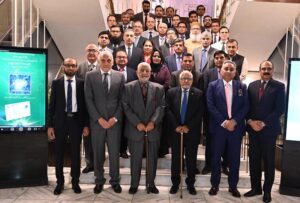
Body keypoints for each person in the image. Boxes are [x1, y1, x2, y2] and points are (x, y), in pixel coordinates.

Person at [206, 60, 249, 198]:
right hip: (219, 128)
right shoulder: (212, 85)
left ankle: (233, 186)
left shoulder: (242, 86)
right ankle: (214, 184)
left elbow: (246, 106)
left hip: (235, 128)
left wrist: (234, 121)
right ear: (220, 70)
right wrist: (224, 122)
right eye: (226, 68)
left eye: (232, 69)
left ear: (235, 72)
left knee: (234, 158)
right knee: (216, 157)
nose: (229, 71)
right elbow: (210, 105)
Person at [244, 60, 285, 203]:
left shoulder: (279, 87)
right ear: (260, 70)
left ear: (273, 70)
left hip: (269, 130)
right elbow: (246, 106)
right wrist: (250, 121)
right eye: (263, 68)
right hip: (253, 130)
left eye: (269, 68)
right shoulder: (252, 86)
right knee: (254, 160)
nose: (266, 71)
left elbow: (279, 108)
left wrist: (263, 123)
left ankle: (267, 191)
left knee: (268, 162)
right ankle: (256, 188)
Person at [85, 51, 125, 194]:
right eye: (103, 60)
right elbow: (88, 100)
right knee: (98, 153)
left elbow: (122, 100)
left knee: (114, 153)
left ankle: (115, 181)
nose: (106, 62)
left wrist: (114, 118)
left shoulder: (120, 76)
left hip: (114, 123)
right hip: (97, 123)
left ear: (113, 61)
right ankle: (99, 180)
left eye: (109, 60)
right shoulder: (90, 76)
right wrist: (99, 119)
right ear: (99, 60)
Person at [47, 58, 89, 195]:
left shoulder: (82, 83)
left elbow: (86, 107)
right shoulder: (56, 83)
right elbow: (51, 106)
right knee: (59, 153)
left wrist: (86, 125)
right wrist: (50, 126)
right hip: (60, 122)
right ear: (63, 66)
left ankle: (75, 182)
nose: (70, 67)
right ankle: (60, 182)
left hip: (76, 121)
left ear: (77, 68)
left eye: (73, 65)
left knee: (76, 153)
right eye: (68, 65)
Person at [122, 62, 165, 194]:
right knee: (135, 159)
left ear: (150, 72)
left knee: (152, 159)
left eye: (147, 70)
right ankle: (134, 184)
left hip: (153, 129)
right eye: (142, 70)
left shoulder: (159, 88)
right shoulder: (128, 87)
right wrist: (137, 123)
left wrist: (153, 122)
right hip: (135, 129)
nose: (144, 73)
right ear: (137, 72)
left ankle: (151, 184)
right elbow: (126, 107)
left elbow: (161, 106)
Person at [167, 70, 204, 195]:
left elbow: (200, 113)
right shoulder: (172, 92)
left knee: (191, 159)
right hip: (175, 132)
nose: (186, 81)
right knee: (176, 159)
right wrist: (176, 126)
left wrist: (188, 126)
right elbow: (168, 110)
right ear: (179, 80)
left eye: (188, 79)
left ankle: (190, 184)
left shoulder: (198, 94)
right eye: (183, 78)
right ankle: (175, 184)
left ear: (192, 81)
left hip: (192, 132)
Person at [77, 43, 100, 174]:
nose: (91, 53)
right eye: (89, 51)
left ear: (98, 53)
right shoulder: (80, 67)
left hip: (100, 108)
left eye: (94, 51)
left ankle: (99, 164)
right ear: (86, 53)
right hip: (85, 108)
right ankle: (89, 163)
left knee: (99, 139)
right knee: (87, 137)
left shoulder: (103, 65)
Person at [113, 49, 137, 159]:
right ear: (115, 59)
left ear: (127, 59)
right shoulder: (110, 70)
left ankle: (123, 150)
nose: (122, 59)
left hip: (129, 105)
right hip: (114, 105)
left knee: (125, 128)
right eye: (119, 57)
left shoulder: (133, 72)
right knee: (115, 129)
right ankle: (114, 150)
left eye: (124, 57)